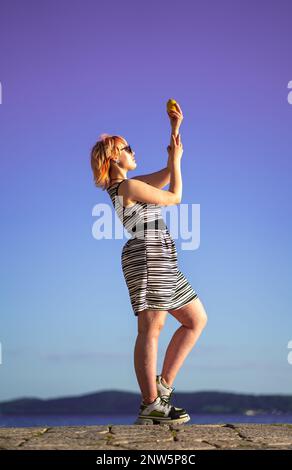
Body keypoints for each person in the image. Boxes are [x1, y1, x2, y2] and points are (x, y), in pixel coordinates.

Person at [90, 102, 208, 424]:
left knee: (195, 318)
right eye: (128, 147)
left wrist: (174, 131)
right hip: (146, 254)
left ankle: (162, 389)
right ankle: (150, 404)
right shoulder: (128, 186)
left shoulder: (132, 184)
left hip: (162, 257)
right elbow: (175, 195)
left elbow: (168, 171)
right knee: (152, 327)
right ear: (115, 156)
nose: (133, 150)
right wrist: (178, 162)